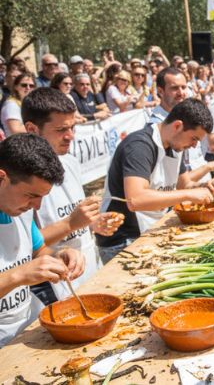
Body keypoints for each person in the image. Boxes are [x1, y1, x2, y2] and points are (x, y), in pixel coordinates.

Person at [21, 88, 122, 304]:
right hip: (51, 286)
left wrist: (94, 224)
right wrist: (71, 223)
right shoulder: (19, 179)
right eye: (61, 129)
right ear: (32, 129)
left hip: (88, 269)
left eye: (73, 127)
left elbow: (75, 216)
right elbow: (23, 245)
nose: (71, 136)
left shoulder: (70, 161)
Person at [96, 99, 214, 262]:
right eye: (194, 138)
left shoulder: (177, 145)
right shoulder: (140, 145)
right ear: (177, 126)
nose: (193, 145)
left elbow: (184, 185)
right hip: (123, 239)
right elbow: (136, 200)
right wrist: (190, 194)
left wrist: (205, 187)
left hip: (151, 227)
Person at [0, 134, 85, 346]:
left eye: (42, 197)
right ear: (2, 178)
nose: (37, 206)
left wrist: (59, 255)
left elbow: (37, 251)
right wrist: (17, 276)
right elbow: (19, 271)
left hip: (25, 330)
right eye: (30, 195)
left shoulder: (19, 211)